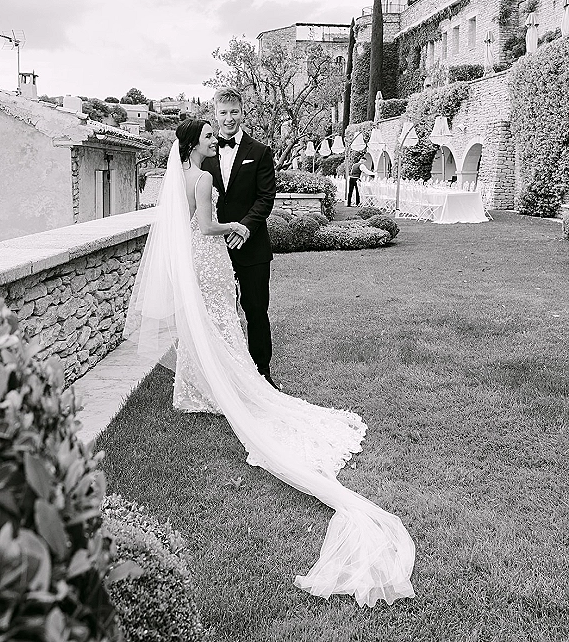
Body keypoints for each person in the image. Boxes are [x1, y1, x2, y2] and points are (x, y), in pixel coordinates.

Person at [124, 117, 415, 608]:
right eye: (209, 137)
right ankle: (218, 387)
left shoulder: (187, 175)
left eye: (218, 136)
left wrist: (235, 226)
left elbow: (196, 224)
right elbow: (203, 225)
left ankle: (201, 388)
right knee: (221, 324)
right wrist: (233, 224)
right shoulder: (200, 177)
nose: (215, 142)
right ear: (195, 144)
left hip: (206, 257)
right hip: (211, 251)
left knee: (218, 326)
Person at [202, 87, 278, 388]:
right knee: (220, 311)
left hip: (253, 247)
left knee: (256, 310)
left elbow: (265, 198)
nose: (229, 118)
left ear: (242, 112)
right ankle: (226, 375)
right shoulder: (204, 154)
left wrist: (244, 227)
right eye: (223, 112)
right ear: (215, 114)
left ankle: (262, 373)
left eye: (234, 112)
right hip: (214, 248)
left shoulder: (259, 152)